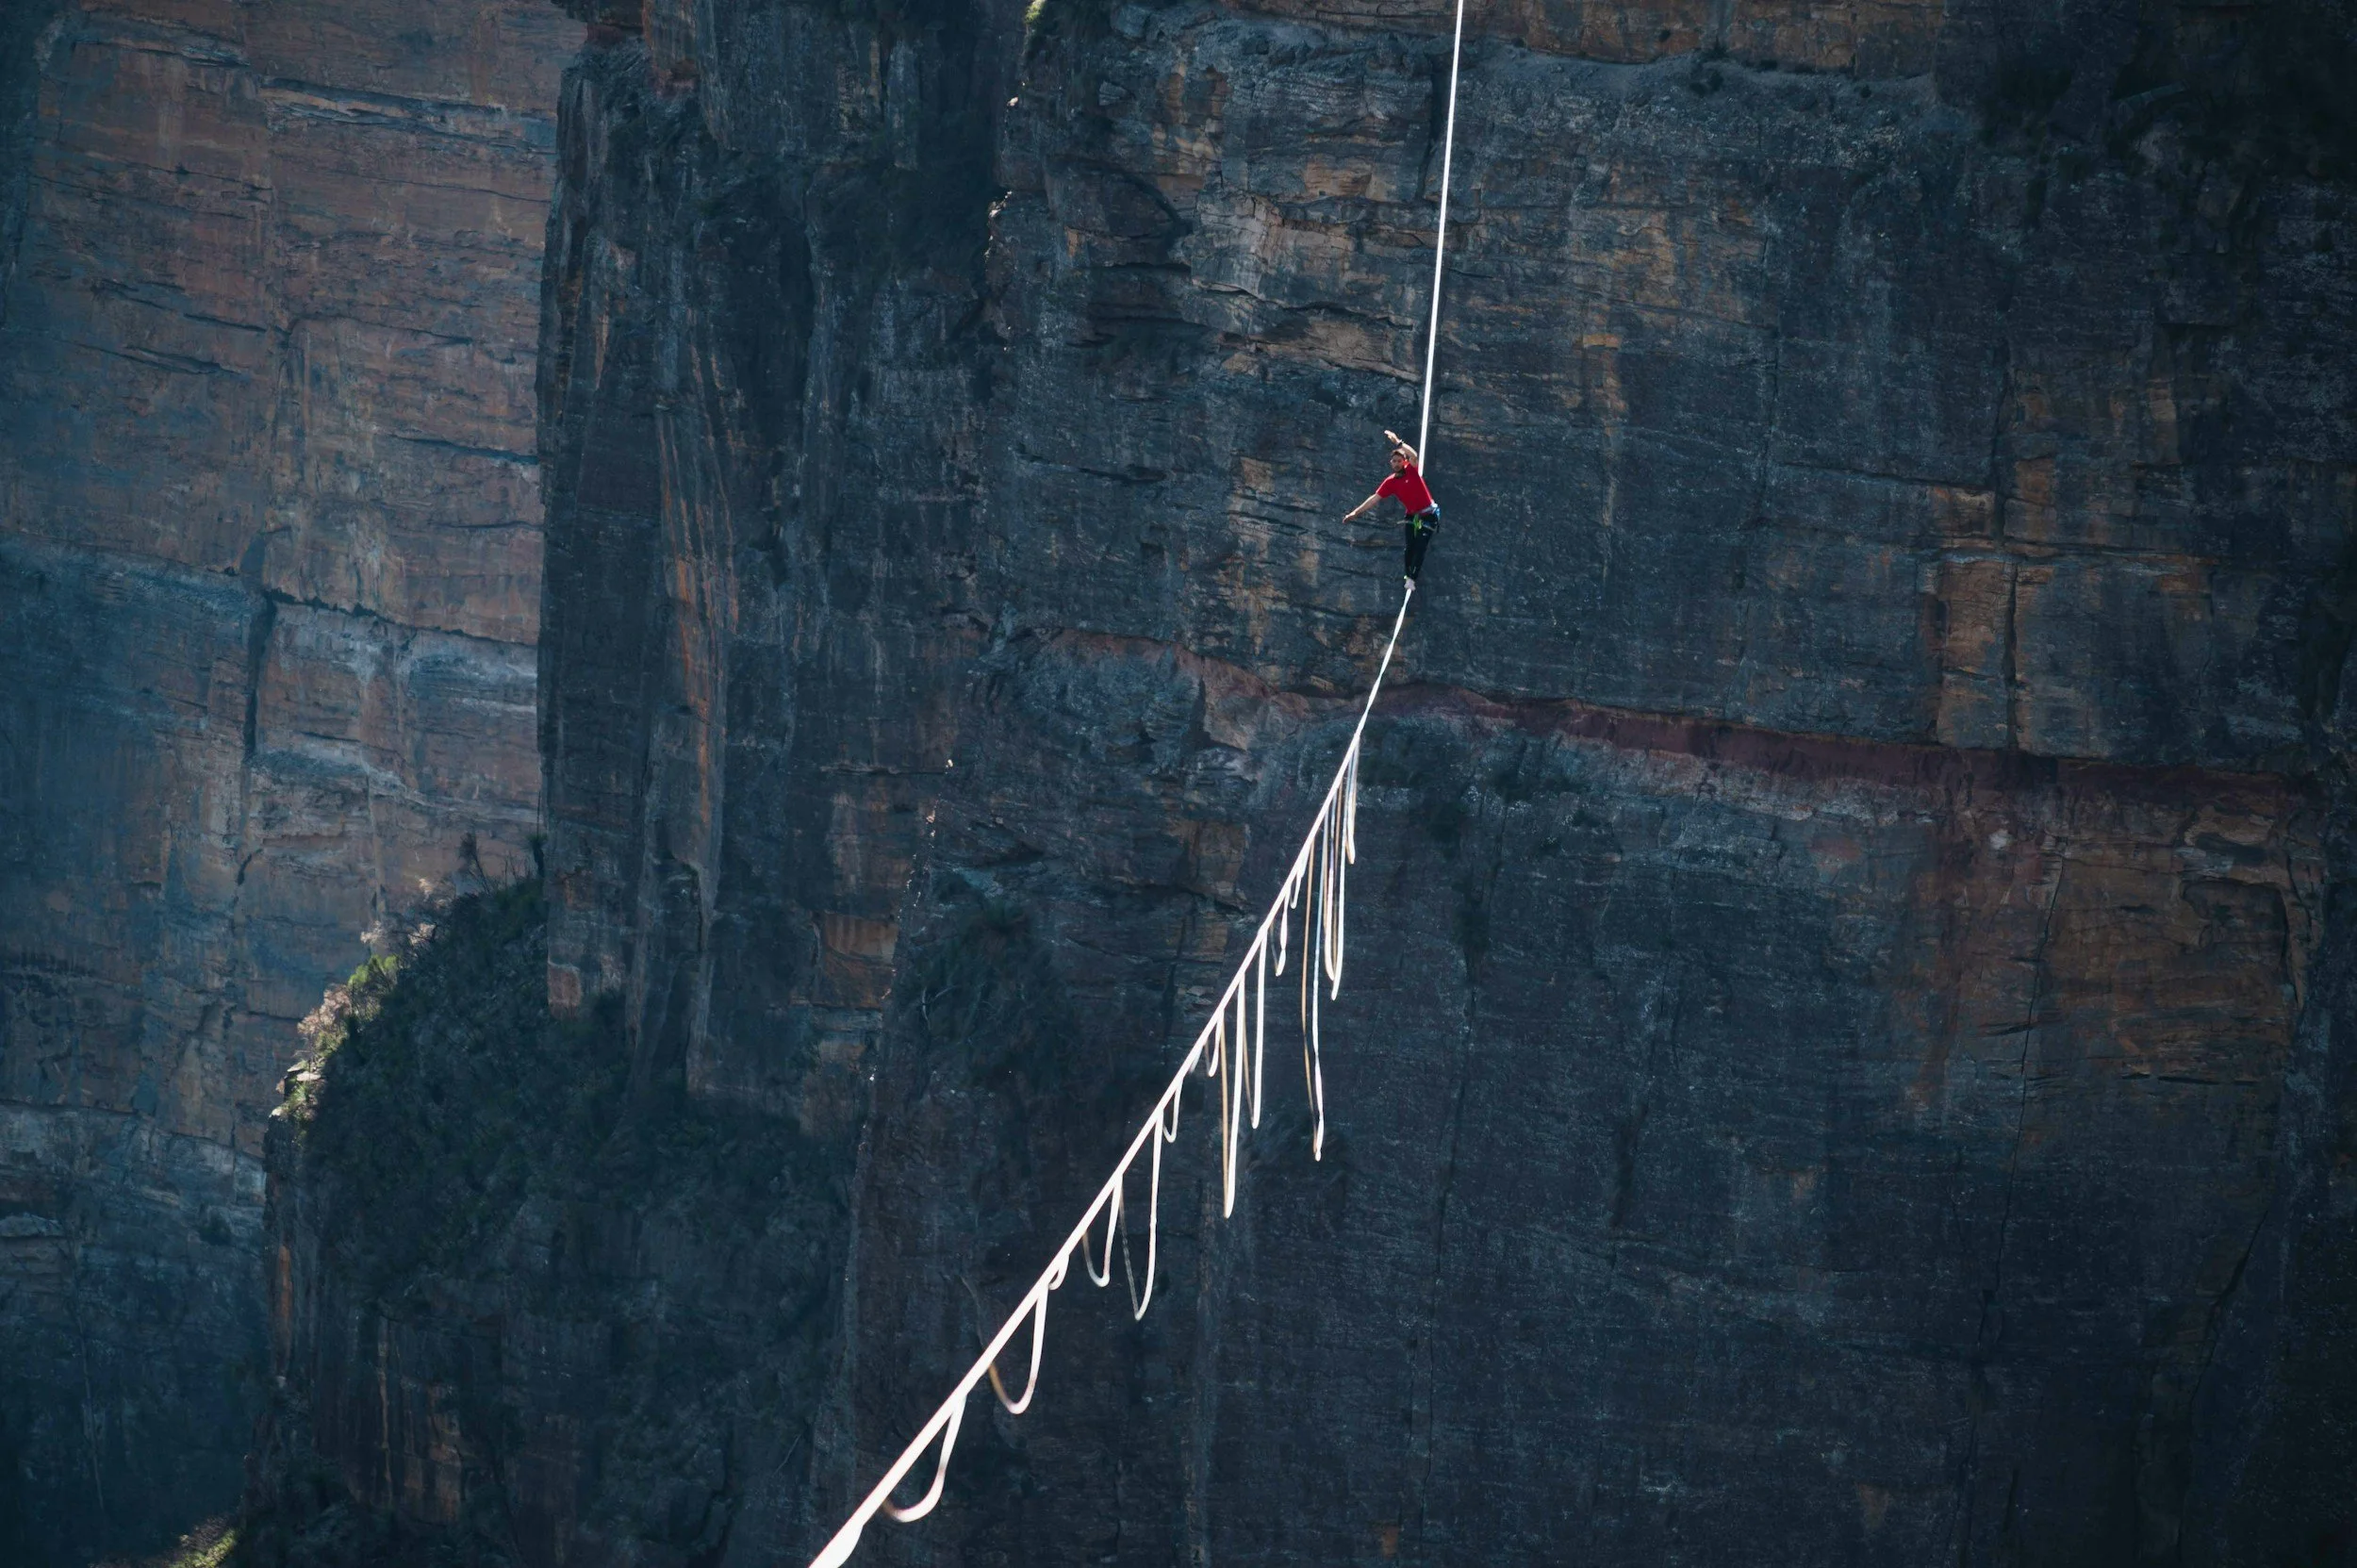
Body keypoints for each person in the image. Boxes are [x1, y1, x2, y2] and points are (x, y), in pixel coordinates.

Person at [1343, 429, 1441, 584]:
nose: (1396, 464)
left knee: (1420, 547)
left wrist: (1397, 443)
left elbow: (1414, 455)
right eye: (1394, 461)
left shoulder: (1411, 470)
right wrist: (1355, 513)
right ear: (1391, 463)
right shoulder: (1391, 482)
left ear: (1404, 462)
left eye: (1399, 461)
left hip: (1429, 514)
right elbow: (1374, 499)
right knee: (1409, 548)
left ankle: (1412, 578)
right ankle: (1409, 576)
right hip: (1412, 515)